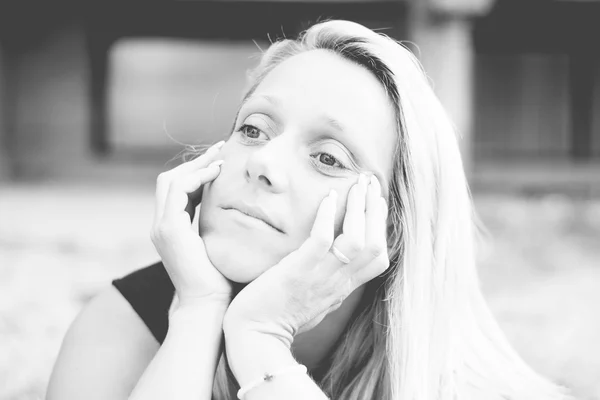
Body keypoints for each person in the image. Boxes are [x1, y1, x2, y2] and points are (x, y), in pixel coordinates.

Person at [46, 19, 573, 400]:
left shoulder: (460, 382)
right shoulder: (119, 329)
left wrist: (262, 341)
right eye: (253, 129)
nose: (263, 163)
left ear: (391, 229)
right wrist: (198, 311)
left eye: (327, 157)